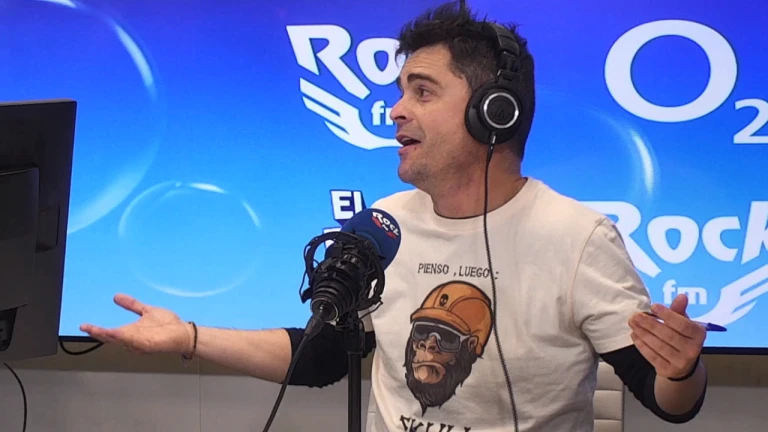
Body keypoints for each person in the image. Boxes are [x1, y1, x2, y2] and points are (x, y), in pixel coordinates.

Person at [80, 2, 708, 431]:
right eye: (400, 90)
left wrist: (682, 368)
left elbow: (667, 400)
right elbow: (323, 355)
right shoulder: (385, 225)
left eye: (422, 91)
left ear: (494, 112)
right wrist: (188, 337)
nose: (395, 110)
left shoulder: (578, 239)